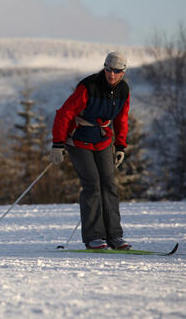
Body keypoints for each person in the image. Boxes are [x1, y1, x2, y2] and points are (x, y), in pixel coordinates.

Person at [51, 51, 131, 250]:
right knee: (92, 184)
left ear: (123, 72)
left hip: (103, 140)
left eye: (116, 71)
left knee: (109, 184)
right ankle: (94, 236)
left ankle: (115, 236)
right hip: (78, 139)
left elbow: (121, 119)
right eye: (108, 69)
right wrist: (58, 144)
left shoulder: (123, 90)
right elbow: (64, 114)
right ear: (104, 67)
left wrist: (120, 145)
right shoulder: (89, 87)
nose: (111, 74)